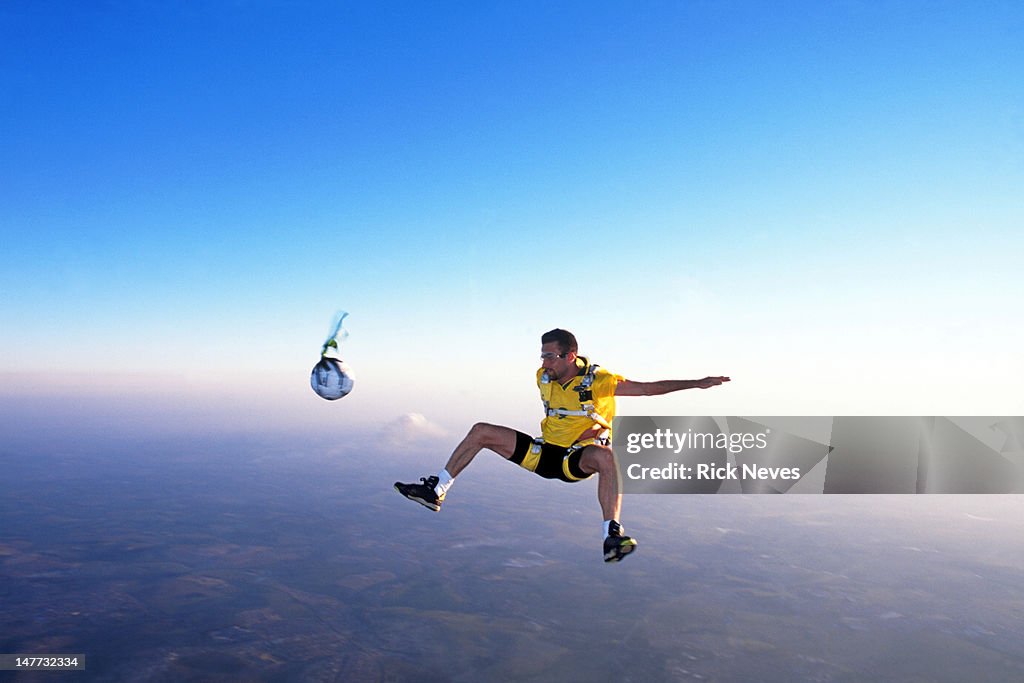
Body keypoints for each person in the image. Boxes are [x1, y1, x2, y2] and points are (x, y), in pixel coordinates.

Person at [395, 328, 730, 562]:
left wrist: (696, 383)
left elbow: (646, 389)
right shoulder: (544, 377)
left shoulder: (598, 382)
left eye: (551, 356)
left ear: (571, 355)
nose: (545, 363)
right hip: (544, 454)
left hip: (574, 459)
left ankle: (610, 533)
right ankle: (436, 490)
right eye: (542, 356)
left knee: (607, 457)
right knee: (481, 430)